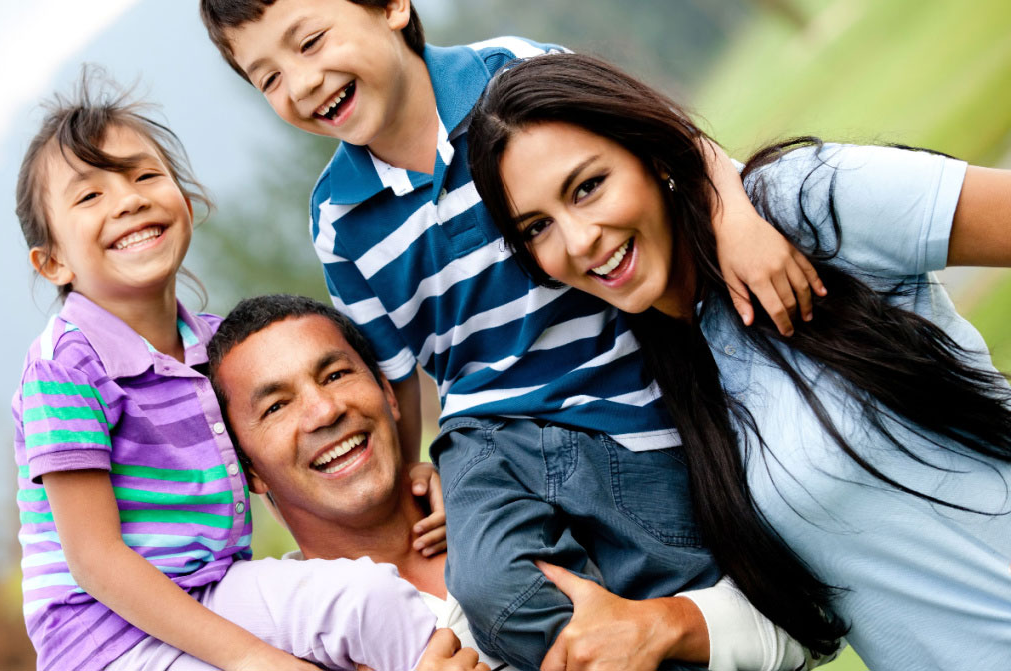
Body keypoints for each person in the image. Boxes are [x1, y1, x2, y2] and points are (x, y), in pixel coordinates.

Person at [198, 2, 839, 667]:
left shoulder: (515, 74)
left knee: (691, 574)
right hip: (486, 435)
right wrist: (419, 461)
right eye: (267, 77)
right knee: (490, 591)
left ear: (392, 6)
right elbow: (389, 369)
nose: (299, 84)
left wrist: (734, 216)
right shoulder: (340, 221)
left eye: (309, 43)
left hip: (621, 402)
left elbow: (671, 139)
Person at [467, 52, 1011, 671]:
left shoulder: (795, 204)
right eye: (537, 227)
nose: (578, 240)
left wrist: (729, 192)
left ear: (650, 158)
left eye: (588, 186)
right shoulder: (656, 378)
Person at [11, 73, 471, 671]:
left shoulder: (213, 343)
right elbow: (94, 559)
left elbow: (278, 469)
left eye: (145, 176)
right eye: (89, 196)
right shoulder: (64, 367)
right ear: (53, 262)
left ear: (187, 201)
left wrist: (417, 481)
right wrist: (256, 660)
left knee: (366, 600)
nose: (128, 200)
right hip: (105, 636)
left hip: (213, 591)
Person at [206, 292, 827, 671]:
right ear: (250, 471)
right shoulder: (283, 637)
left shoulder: (533, 482)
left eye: (337, 374)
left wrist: (664, 629)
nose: (324, 411)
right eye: (276, 407)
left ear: (390, 398)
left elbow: (797, 629)